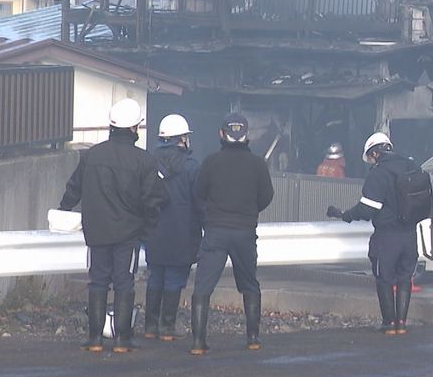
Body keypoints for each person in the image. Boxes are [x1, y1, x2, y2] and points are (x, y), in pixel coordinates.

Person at [58, 98, 165, 354]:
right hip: (127, 234)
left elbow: (74, 188)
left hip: (96, 231)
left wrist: (63, 210)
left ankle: (94, 338)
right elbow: (156, 198)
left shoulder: (93, 155)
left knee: (97, 282)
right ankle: (122, 339)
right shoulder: (143, 160)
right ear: (133, 128)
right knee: (123, 283)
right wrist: (148, 227)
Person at [189, 113, 275, 355]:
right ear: (246, 135)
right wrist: (248, 211)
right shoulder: (258, 164)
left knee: (203, 286)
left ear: (221, 134)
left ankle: (198, 342)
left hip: (215, 230)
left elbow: (198, 193)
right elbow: (266, 196)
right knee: (249, 284)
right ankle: (253, 338)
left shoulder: (210, 162)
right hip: (244, 231)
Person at [328, 132, 420, 335]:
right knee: (405, 278)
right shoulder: (411, 165)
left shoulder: (379, 173)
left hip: (387, 236)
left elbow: (367, 209)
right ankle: (402, 324)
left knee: (384, 278)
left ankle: (388, 324)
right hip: (411, 235)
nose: (369, 162)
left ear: (375, 154)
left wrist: (345, 215)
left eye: (370, 158)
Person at [142, 114, 202, 341]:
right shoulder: (191, 167)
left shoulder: (148, 163)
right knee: (174, 279)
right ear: (182, 139)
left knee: (155, 277)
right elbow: (200, 202)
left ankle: (150, 326)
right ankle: (167, 327)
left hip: (153, 231)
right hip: (182, 233)